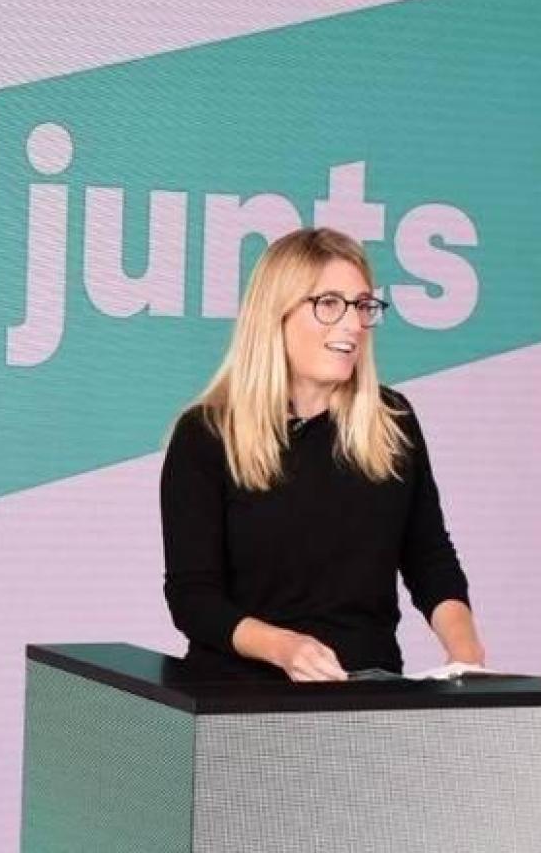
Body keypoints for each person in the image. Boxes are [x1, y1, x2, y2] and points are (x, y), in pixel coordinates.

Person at [160, 228, 483, 680]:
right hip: (239, 704)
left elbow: (431, 560)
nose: (352, 325)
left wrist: (466, 654)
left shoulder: (393, 420)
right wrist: (284, 648)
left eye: (362, 306)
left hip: (367, 698)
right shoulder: (205, 436)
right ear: (277, 314)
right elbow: (194, 600)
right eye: (329, 304)